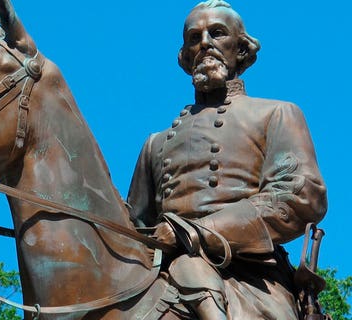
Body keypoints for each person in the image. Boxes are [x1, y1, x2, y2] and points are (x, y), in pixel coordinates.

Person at [126, 1, 328, 319]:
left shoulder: (277, 113)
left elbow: (299, 197)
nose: (204, 42)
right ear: (185, 56)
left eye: (217, 33)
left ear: (241, 48)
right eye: (194, 37)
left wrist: (195, 232)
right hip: (164, 276)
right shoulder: (155, 144)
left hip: (252, 277)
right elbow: (134, 229)